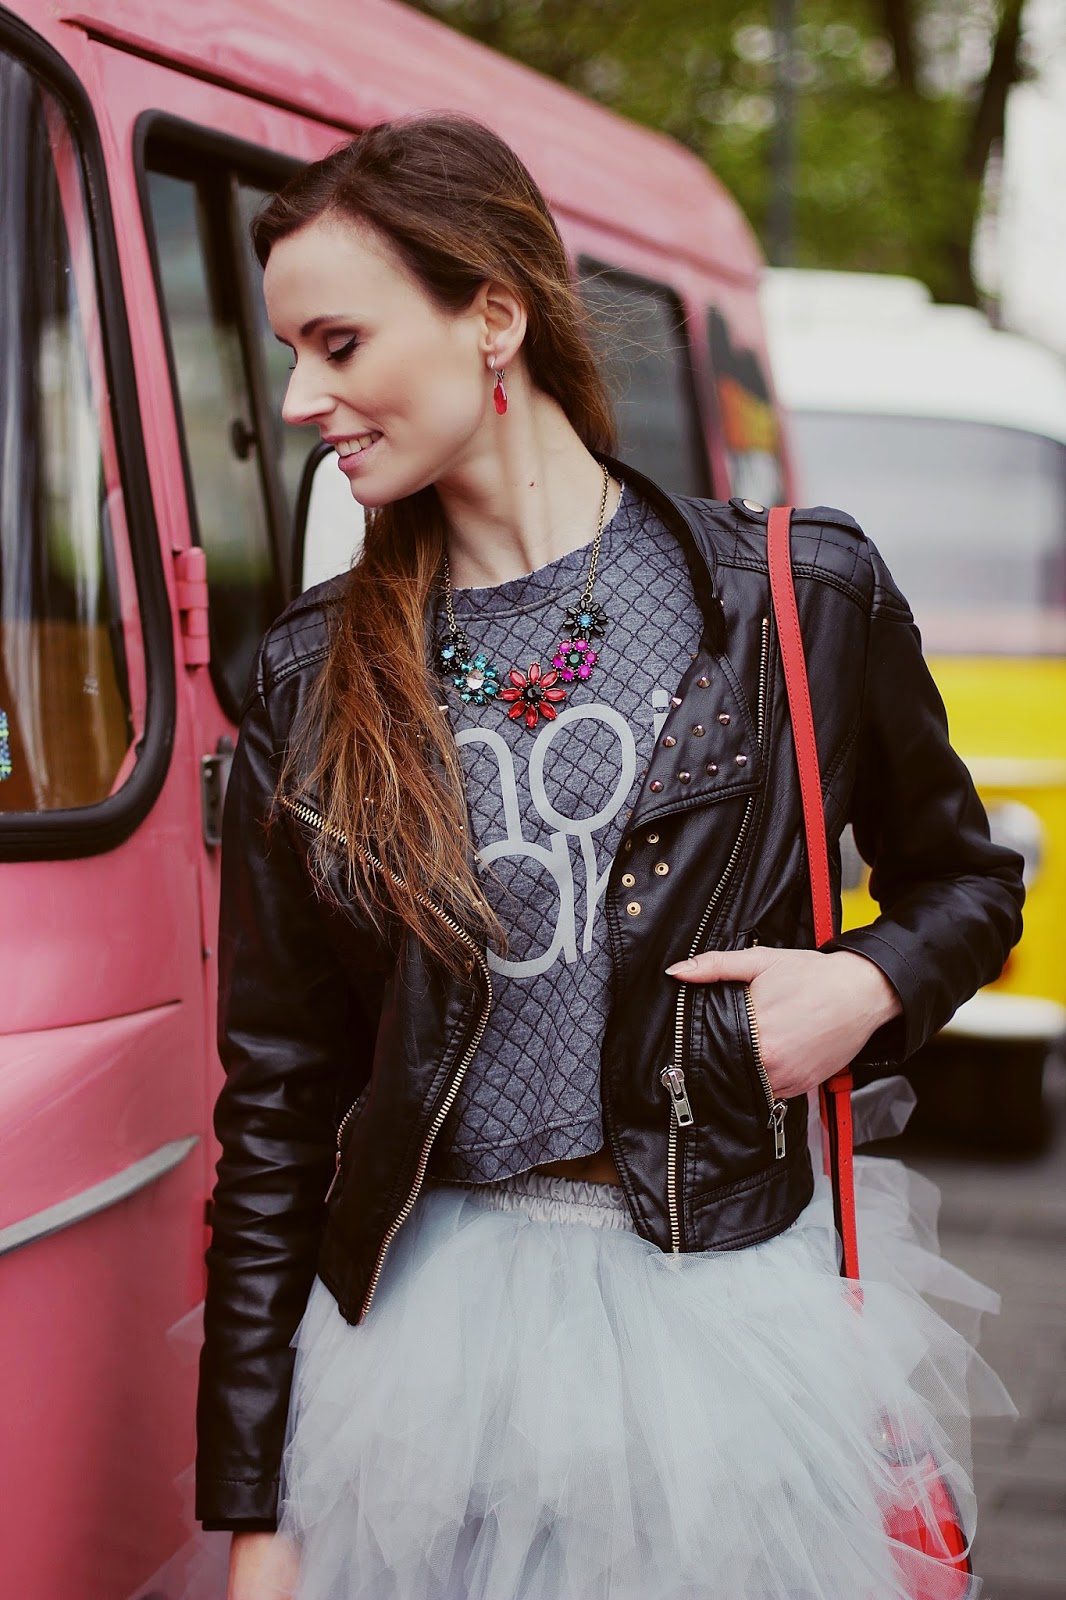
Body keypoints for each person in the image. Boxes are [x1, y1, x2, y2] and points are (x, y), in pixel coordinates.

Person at [195, 113, 1025, 1600]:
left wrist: (863, 987)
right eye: (291, 352)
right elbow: (277, 1106)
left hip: (720, 1327)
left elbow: (966, 885)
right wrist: (255, 1507)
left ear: (492, 316)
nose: (302, 396)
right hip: (417, 1358)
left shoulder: (795, 599)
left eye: (338, 342)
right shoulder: (311, 678)